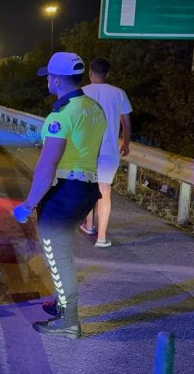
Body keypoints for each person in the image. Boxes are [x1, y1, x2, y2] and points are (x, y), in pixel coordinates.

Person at [12, 52, 106, 339]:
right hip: (87, 188)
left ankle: (69, 321)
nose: (47, 81)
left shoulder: (61, 115)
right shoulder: (93, 108)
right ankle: (63, 304)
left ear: (56, 79)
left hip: (66, 191)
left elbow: (47, 165)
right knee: (62, 253)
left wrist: (28, 205)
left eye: (48, 77)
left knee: (57, 256)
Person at [79, 57, 133, 248]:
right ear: (107, 74)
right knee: (104, 191)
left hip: (85, 151)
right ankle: (101, 237)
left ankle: (88, 224)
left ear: (90, 73)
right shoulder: (119, 93)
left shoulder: (82, 93)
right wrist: (125, 143)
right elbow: (126, 123)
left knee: (87, 187)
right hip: (109, 151)